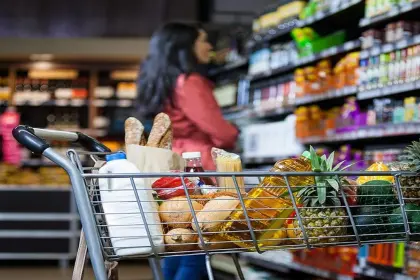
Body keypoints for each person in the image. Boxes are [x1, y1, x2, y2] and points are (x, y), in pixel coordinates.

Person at [136, 22, 239, 279]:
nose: (209, 46)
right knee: (199, 241)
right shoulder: (190, 82)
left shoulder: (160, 82)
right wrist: (234, 130)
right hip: (196, 165)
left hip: (170, 161)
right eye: (203, 40)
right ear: (185, 47)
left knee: (178, 238)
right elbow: (221, 132)